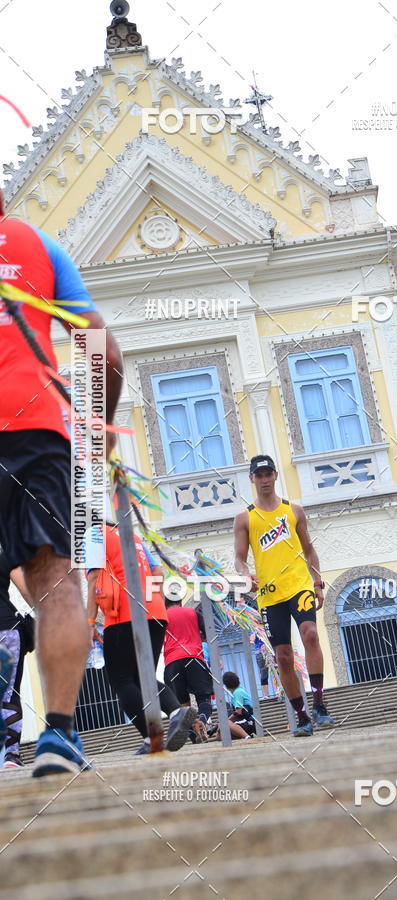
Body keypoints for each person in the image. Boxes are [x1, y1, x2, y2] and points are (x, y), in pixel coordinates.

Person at [0, 188, 123, 776]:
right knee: (55, 582)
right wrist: (98, 427)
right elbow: (103, 350)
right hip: (33, 427)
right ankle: (59, 737)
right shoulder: (39, 246)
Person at [234, 454, 334, 736]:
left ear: (276, 476)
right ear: (252, 479)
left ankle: (319, 703)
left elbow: (309, 548)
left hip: (299, 584)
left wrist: (317, 582)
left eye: (268, 474)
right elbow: (239, 558)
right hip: (269, 593)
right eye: (259, 475)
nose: (264, 479)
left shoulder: (294, 511)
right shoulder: (245, 518)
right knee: (283, 655)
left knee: (310, 634)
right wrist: (243, 574)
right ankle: (301, 716)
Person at [84, 523, 197, 754]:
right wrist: (149, 601)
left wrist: (89, 623)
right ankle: (176, 711)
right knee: (142, 676)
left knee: (121, 679)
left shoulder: (93, 533)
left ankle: (151, 738)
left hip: (123, 614)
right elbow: (158, 573)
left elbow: (94, 576)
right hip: (155, 611)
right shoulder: (130, 534)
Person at [163, 595, 213, 742]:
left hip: (172, 662)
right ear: (180, 602)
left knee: (183, 703)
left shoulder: (162, 616)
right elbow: (209, 633)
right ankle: (202, 722)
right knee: (204, 698)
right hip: (194, 658)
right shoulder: (193, 613)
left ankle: (194, 733)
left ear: (166, 605)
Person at [0, 550, 31, 768]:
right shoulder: (5, 556)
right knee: (9, 693)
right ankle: (12, 756)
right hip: (7, 630)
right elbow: (27, 590)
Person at [219, 671, 256, 740]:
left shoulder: (237, 692)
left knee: (226, 723)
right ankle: (245, 735)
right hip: (247, 719)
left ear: (227, 685)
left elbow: (238, 711)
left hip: (250, 720)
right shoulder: (240, 689)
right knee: (219, 735)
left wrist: (226, 719)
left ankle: (247, 737)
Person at [250, 632, 269, 698]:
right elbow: (251, 639)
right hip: (260, 654)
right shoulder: (253, 626)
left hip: (271, 651)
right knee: (264, 674)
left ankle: (280, 690)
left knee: (278, 671)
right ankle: (265, 695)